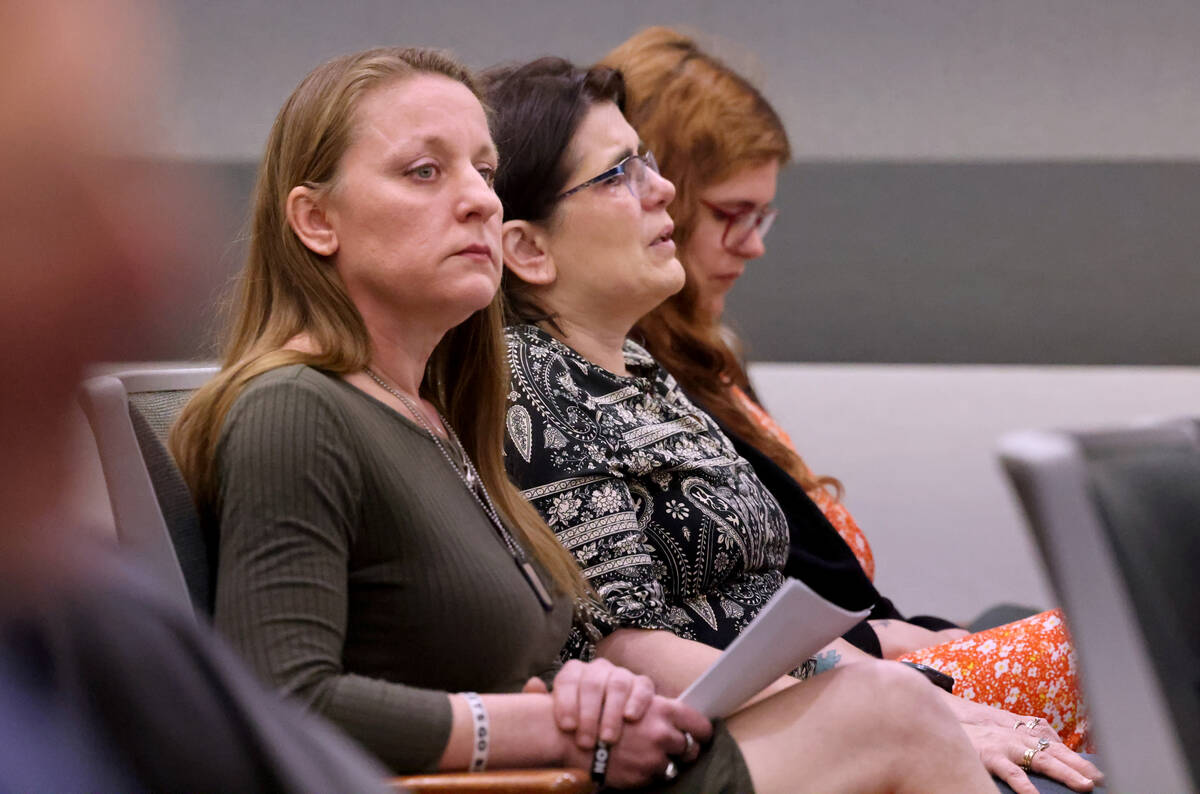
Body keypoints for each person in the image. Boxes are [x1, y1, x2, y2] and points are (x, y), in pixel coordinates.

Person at [169, 45, 998, 794]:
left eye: (484, 173)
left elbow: (472, 658)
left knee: (888, 702)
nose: (477, 203)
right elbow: (277, 701)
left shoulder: (430, 414)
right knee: (892, 713)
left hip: (577, 767)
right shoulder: (296, 410)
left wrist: (588, 695)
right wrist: (533, 725)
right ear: (316, 220)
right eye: (425, 172)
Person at [487, 56, 1102, 794]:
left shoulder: (636, 371)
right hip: (706, 745)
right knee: (1113, 652)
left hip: (808, 698)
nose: (663, 191)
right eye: (618, 174)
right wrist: (930, 707)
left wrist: (925, 697)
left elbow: (776, 613)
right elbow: (627, 649)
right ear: (527, 248)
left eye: (647, 162)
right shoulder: (532, 383)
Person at [0, 2, 397, 791]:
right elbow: (299, 686)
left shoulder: (91, 618)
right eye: (43, 199)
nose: (147, 263)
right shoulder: (293, 412)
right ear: (314, 220)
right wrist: (517, 725)